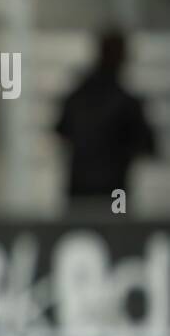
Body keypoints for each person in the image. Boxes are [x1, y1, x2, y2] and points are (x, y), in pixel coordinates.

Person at [56, 30, 158, 207]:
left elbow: (62, 131)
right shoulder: (127, 103)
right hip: (113, 192)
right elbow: (148, 146)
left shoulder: (79, 97)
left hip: (81, 191)